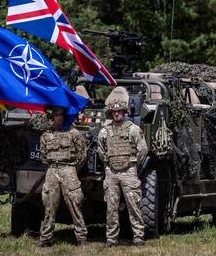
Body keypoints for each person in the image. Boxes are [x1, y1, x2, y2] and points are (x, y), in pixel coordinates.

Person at [97, 87, 148, 247]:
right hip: (111, 173)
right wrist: (108, 164)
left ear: (124, 112)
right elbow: (100, 150)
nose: (117, 114)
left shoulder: (133, 129)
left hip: (128, 172)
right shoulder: (104, 131)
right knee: (111, 208)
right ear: (111, 113)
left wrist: (132, 164)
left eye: (119, 111)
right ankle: (111, 239)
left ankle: (138, 237)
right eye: (114, 112)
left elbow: (143, 150)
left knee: (134, 206)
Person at [37, 106, 88, 247]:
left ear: (64, 116)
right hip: (52, 171)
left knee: (75, 204)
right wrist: (54, 167)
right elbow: (44, 156)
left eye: (61, 115)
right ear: (52, 117)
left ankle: (81, 237)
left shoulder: (74, 133)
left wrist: (72, 168)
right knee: (49, 205)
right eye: (56, 115)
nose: (58, 117)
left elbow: (82, 154)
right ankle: (45, 238)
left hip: (69, 170)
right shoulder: (46, 135)